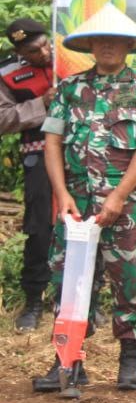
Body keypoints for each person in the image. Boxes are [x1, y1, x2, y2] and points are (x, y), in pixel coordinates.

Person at [39, 5, 136, 391]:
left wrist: (117, 197)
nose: (108, 46)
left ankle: (131, 358)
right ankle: (68, 358)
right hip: (77, 202)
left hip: (127, 206)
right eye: (101, 39)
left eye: (115, 40)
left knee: (129, 279)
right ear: (91, 45)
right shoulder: (70, 88)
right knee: (70, 281)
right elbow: (52, 142)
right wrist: (61, 195)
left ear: (128, 45)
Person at [2, 18, 55, 333]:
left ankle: (86, 300)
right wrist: (41, 104)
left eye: (46, 44)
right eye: (34, 51)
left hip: (80, 153)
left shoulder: (70, 56)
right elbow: (3, 118)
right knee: (39, 227)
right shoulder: (6, 73)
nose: (45, 53)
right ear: (18, 50)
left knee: (88, 221)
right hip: (38, 154)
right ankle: (34, 299)